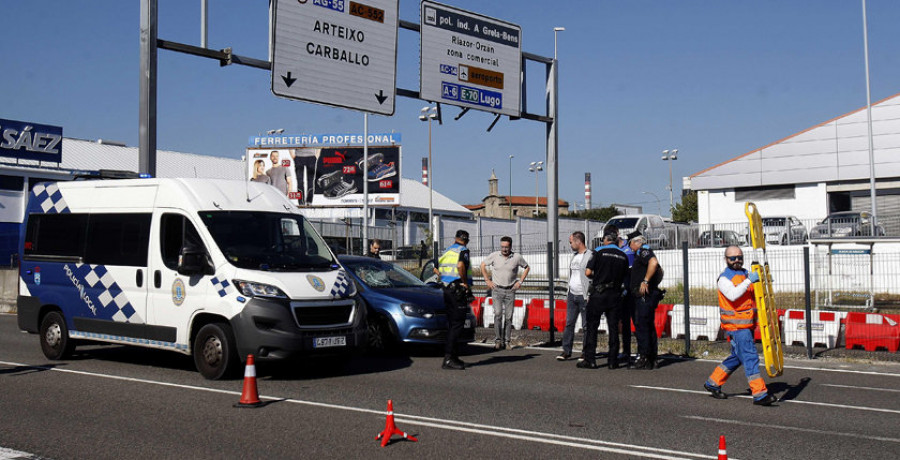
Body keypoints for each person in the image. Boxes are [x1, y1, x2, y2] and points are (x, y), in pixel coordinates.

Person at [704, 246, 778, 406]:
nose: (737, 260)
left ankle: (713, 382)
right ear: (726, 259)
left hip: (747, 324)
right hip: (737, 327)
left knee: (737, 357)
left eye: (739, 257)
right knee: (750, 357)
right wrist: (749, 280)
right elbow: (733, 295)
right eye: (733, 258)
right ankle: (759, 394)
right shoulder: (724, 279)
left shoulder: (745, 274)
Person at [579, 231, 628, 369]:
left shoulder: (598, 252)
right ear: (616, 240)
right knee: (613, 328)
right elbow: (624, 276)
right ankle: (613, 361)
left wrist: (599, 275)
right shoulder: (623, 255)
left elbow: (588, 272)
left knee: (592, 327)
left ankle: (590, 359)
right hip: (615, 296)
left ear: (606, 240)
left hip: (598, 294)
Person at [481, 236, 530, 350]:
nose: (504, 249)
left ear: (510, 247)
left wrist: (520, 281)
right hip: (497, 289)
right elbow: (483, 265)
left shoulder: (517, 257)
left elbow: (527, 267)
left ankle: (507, 341)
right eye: (502, 247)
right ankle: (498, 340)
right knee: (498, 314)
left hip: (510, 290)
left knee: (508, 317)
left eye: (506, 247)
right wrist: (487, 280)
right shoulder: (494, 255)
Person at [434, 230, 473, 370]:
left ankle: (453, 357)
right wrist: (465, 283)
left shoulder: (447, 251)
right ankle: (449, 358)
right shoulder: (463, 250)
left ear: (455, 238)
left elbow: (436, 269)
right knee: (457, 324)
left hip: (446, 290)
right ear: (466, 240)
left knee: (452, 323)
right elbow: (460, 266)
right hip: (457, 290)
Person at [628, 231, 663, 370]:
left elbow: (654, 263)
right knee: (648, 326)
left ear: (636, 242)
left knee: (642, 326)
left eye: (630, 243)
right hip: (647, 295)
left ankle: (644, 357)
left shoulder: (643, 251)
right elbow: (660, 271)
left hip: (643, 296)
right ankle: (651, 358)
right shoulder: (642, 253)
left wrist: (646, 281)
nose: (629, 246)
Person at [557, 231, 592, 361]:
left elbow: (592, 275)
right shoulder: (574, 256)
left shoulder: (590, 255)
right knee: (569, 323)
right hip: (572, 294)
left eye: (571, 242)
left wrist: (589, 293)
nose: (570, 244)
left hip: (584, 295)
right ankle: (566, 351)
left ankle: (586, 352)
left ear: (578, 242)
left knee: (586, 325)